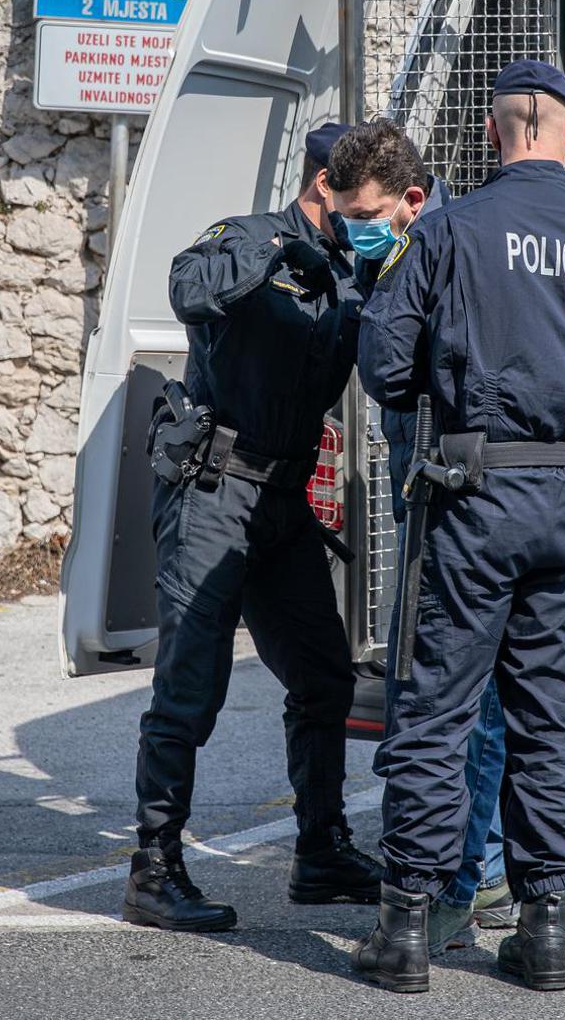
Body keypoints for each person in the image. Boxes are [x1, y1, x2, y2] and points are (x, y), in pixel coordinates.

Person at [351, 60, 565, 993]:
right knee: (548, 715)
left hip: (474, 492)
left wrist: (451, 404)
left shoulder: (451, 230)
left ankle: (405, 929)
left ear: (495, 132)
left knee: (436, 709)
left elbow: (383, 360)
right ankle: (546, 930)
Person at [124, 121, 383, 932]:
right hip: (214, 488)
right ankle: (153, 870)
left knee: (324, 675)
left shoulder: (348, 271)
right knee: (188, 689)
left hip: (281, 499)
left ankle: (320, 851)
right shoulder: (247, 237)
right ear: (320, 186)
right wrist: (273, 258)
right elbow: (187, 289)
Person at [323, 119, 516, 955]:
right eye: (341, 213)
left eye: (361, 213)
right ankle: (483, 875)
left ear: (409, 198)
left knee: (460, 705)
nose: (350, 226)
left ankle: (468, 883)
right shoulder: (393, 245)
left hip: (457, 497)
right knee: (447, 697)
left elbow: (403, 372)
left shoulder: (451, 246)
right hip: (422, 491)